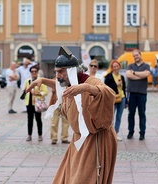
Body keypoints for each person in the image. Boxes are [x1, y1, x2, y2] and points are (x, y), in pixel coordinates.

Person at [26, 46, 117, 183]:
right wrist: (43, 80)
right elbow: (58, 84)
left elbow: (109, 93)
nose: (58, 76)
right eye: (56, 72)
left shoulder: (90, 81)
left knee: (83, 179)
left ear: (72, 71)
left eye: (61, 72)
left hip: (96, 139)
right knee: (65, 178)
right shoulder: (69, 83)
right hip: (78, 139)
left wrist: (86, 88)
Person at [126, 49, 150, 140]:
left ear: (140, 55)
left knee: (142, 114)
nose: (136, 57)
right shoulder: (130, 65)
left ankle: (142, 133)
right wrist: (141, 76)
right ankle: (130, 131)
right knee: (131, 114)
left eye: (137, 55)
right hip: (131, 93)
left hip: (142, 93)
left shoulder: (146, 65)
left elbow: (146, 74)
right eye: (134, 56)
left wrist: (135, 73)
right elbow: (128, 75)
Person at [104, 60, 128, 141]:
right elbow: (106, 88)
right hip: (112, 99)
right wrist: (116, 85)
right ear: (112, 68)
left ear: (119, 67)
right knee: (111, 117)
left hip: (122, 98)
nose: (116, 68)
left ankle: (115, 134)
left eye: (117, 66)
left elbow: (124, 89)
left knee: (119, 117)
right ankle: (109, 134)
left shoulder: (122, 77)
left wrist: (126, 101)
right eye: (114, 67)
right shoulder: (108, 77)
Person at [23, 65, 48, 142]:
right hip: (29, 102)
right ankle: (29, 135)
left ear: (37, 72)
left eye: (35, 71)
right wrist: (28, 90)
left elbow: (46, 92)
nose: (33, 73)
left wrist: (39, 93)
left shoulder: (40, 80)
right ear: (30, 72)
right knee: (29, 119)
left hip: (37, 103)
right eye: (32, 71)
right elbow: (25, 90)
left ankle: (40, 135)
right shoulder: (28, 81)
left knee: (38, 119)